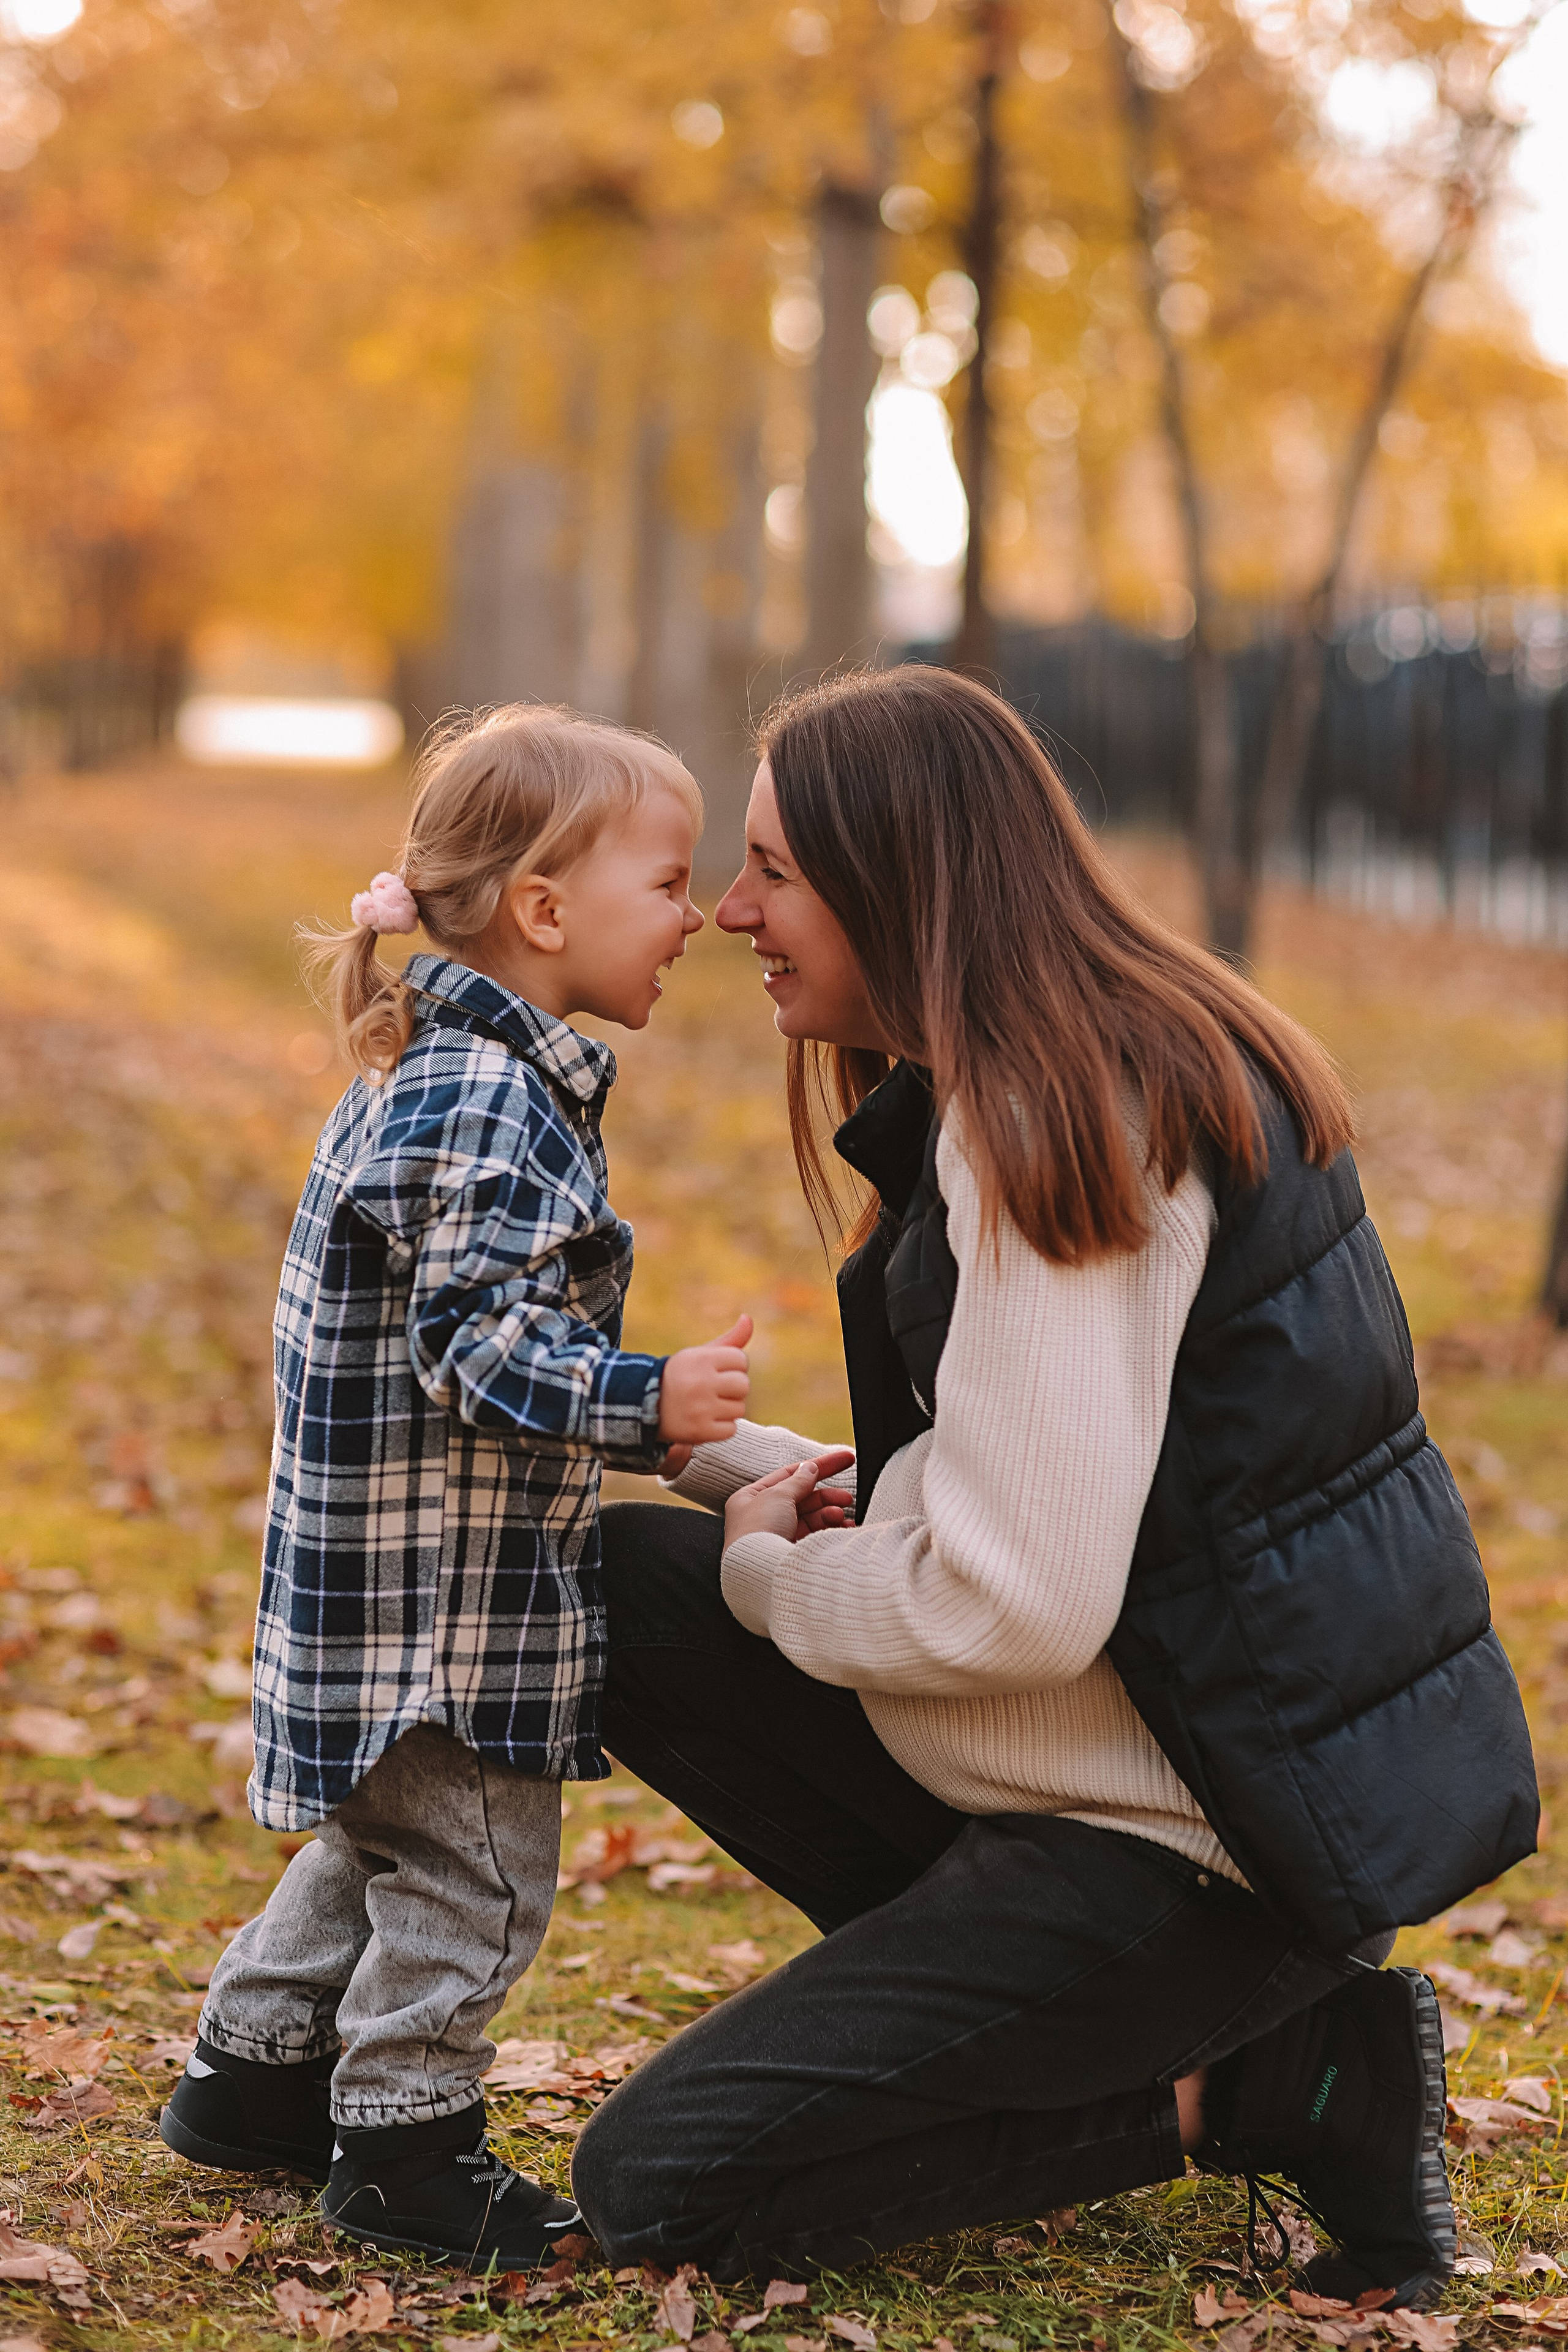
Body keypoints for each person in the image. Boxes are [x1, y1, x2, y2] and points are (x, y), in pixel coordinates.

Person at [571, 667, 1537, 2304]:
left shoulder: (1055, 1119)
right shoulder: (1056, 1070)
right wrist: (664, 1435)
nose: (732, 913)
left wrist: (763, 1569)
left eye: (774, 872)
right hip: (1117, 1767)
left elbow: (1009, 1601)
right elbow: (1009, 1481)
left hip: (1189, 1856)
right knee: (622, 1587)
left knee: (657, 2185)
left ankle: (1277, 2078)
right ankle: (1010, 2018)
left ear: (901, 885)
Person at [160, 704, 753, 2269]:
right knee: (475, 1874)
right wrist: (645, 1399)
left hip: (371, 1594)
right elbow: (479, 1346)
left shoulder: (429, 1072)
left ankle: (249, 2080)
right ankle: (404, 2147)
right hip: (444, 1612)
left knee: (381, 1844)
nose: (697, 918)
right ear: (543, 910)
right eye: (668, 883)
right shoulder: (488, 1099)